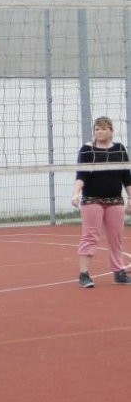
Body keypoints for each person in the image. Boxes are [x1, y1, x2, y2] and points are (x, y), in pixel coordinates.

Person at [71, 116, 131, 288]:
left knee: (116, 237)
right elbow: (81, 175)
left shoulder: (119, 149)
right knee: (90, 236)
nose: (99, 132)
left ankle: (119, 273)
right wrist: (75, 193)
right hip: (92, 200)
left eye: (103, 128)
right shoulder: (87, 150)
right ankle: (84, 275)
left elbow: (126, 177)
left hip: (115, 201)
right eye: (97, 129)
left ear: (110, 130)